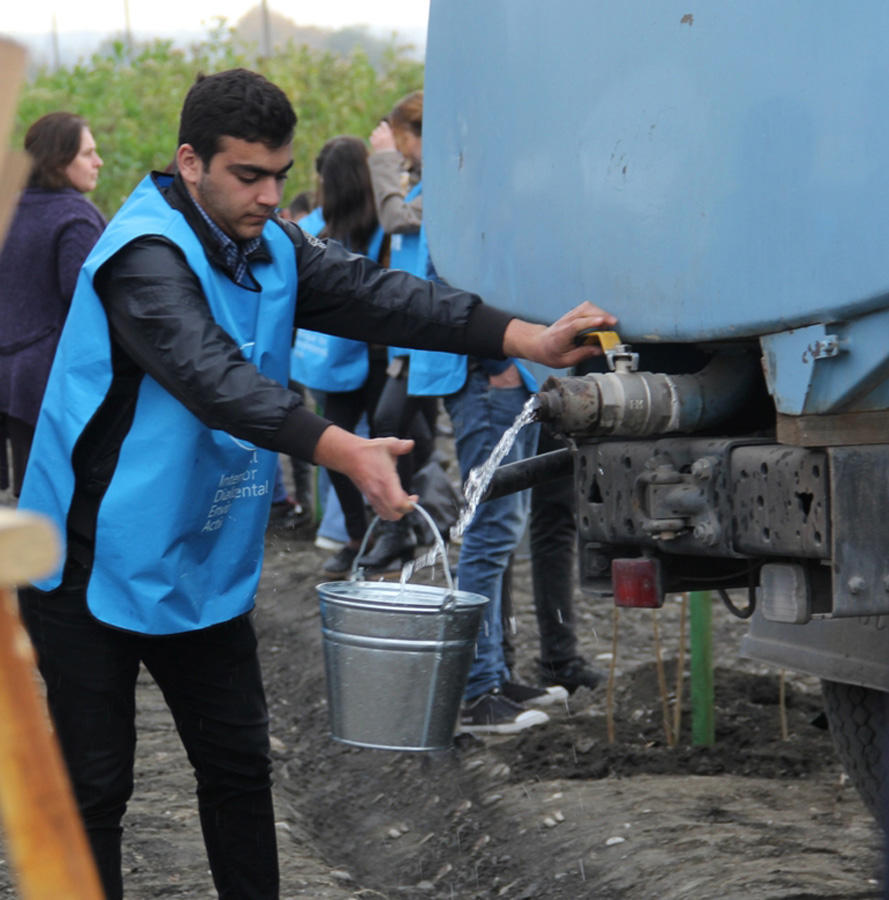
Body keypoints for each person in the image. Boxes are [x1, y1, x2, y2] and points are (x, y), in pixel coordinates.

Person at [16, 67, 618, 898]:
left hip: (198, 553)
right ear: (190, 163)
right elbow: (212, 376)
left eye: (279, 176)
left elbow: (385, 297)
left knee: (237, 767)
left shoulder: (273, 246)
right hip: (89, 557)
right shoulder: (141, 259)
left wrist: (525, 337)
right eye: (248, 175)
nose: (269, 195)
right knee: (97, 787)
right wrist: (343, 447)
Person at [290, 135, 390, 575]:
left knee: (343, 444)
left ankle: (370, 534)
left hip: (357, 361)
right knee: (376, 441)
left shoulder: (328, 229)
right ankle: (371, 533)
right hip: (368, 357)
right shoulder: (357, 226)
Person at [0, 111, 105, 495]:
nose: (99, 162)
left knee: (34, 502)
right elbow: (89, 305)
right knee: (63, 509)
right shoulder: (74, 216)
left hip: (10, 380)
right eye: (88, 154)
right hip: (53, 386)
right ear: (59, 161)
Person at [359, 90, 440, 572]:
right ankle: (414, 519)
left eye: (405, 143)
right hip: (415, 334)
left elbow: (397, 220)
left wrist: (384, 162)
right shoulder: (424, 183)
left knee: (389, 423)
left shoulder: (446, 184)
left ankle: (404, 524)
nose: (403, 154)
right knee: (410, 429)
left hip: (433, 334)